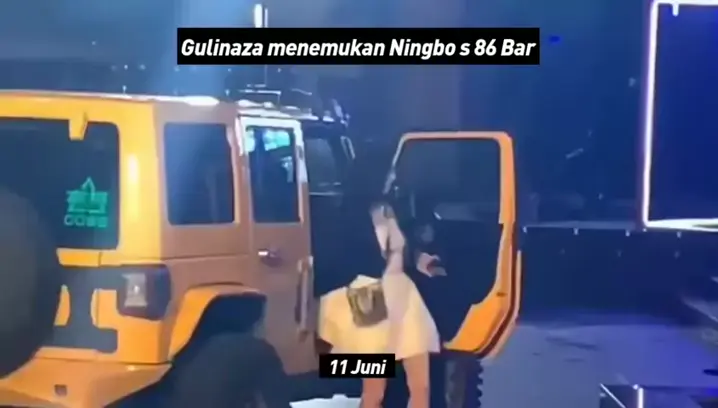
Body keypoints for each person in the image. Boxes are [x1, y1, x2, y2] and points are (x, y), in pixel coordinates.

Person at [317, 170, 440, 408]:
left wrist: (420, 260)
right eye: (389, 174)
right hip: (370, 297)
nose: (393, 179)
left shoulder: (391, 209)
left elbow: (402, 248)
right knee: (374, 392)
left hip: (404, 296)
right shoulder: (348, 216)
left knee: (421, 386)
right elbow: (341, 260)